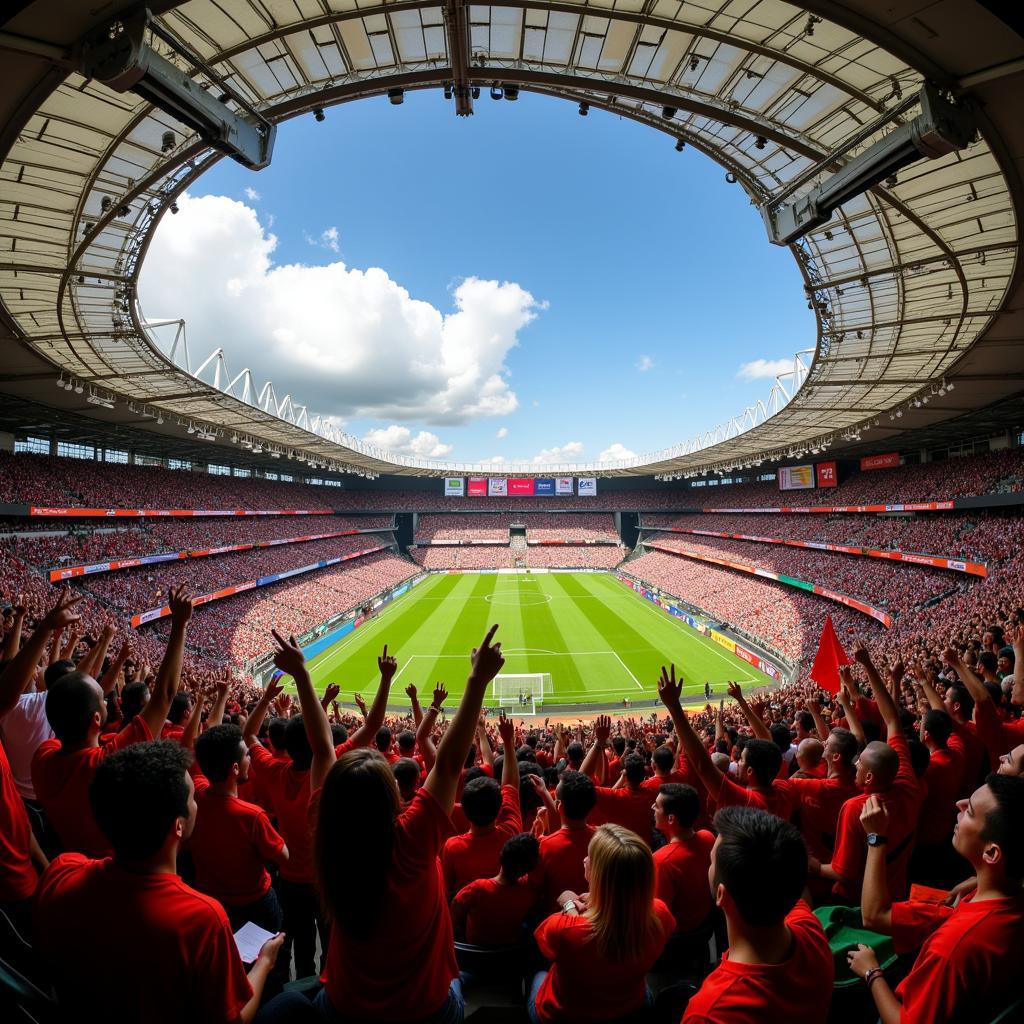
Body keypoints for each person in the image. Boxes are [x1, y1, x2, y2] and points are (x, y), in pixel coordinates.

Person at [260, 624, 507, 1023]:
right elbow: (446, 765)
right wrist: (477, 679)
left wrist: (303, 677)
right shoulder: (412, 840)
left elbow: (323, 748)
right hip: (426, 1007)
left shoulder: (330, 835)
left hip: (345, 1005)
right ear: (391, 795)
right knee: (455, 986)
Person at [33, 741, 283, 1023]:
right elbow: (236, 1019)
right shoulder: (202, 919)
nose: (196, 802)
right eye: (192, 798)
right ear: (178, 825)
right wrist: (264, 962)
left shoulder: (61, 871)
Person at [31, 587, 194, 857]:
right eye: (101, 698)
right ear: (96, 718)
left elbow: (64, 701)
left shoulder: (43, 756)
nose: (106, 698)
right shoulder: (106, 763)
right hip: (115, 869)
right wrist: (179, 625)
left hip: (73, 860)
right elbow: (164, 695)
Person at [848, 778, 1024, 1023]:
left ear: (992, 853)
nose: (959, 804)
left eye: (970, 811)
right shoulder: (1009, 898)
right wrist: (976, 879)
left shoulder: (951, 949)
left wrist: (871, 972)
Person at [682, 806, 834, 1022]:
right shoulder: (810, 928)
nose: (710, 865)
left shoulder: (710, 1013)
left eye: (712, 861)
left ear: (721, 894)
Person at [528, 823, 675, 1024]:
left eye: (590, 857)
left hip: (565, 1015)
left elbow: (548, 948)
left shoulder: (563, 928)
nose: (585, 859)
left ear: (600, 874)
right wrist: (601, 900)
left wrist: (569, 905)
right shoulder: (660, 914)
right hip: (629, 1006)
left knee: (536, 972)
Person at [808, 643, 921, 902]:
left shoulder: (856, 808)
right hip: (899, 892)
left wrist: (811, 866)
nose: (855, 764)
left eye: (860, 765)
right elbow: (892, 720)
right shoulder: (906, 782)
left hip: (862, 903)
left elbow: (842, 873)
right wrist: (868, 666)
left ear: (869, 777)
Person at [190, 723, 289, 933]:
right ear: (235, 768)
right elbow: (283, 856)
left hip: (210, 899)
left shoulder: (196, 793)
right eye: (246, 755)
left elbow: (199, 751)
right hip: (254, 904)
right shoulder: (252, 816)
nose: (250, 759)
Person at [442, 711, 521, 897]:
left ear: (465, 810)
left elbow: (447, 889)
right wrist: (507, 742)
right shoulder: (511, 833)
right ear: (499, 808)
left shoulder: (452, 845)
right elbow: (510, 784)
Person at [451, 832, 539, 946]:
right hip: (506, 952)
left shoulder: (477, 889)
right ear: (528, 869)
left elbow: (453, 912)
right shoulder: (529, 892)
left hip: (472, 954)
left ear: (501, 855)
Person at [652, 783, 715, 934]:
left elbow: (659, 916)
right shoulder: (708, 837)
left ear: (671, 819)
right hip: (704, 927)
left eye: (657, 806)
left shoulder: (662, 861)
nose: (652, 807)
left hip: (678, 938)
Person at [531, 770, 597, 913]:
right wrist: (544, 793)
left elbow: (533, 889)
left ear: (559, 806)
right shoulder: (603, 838)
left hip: (557, 918)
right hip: (595, 915)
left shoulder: (545, 846)